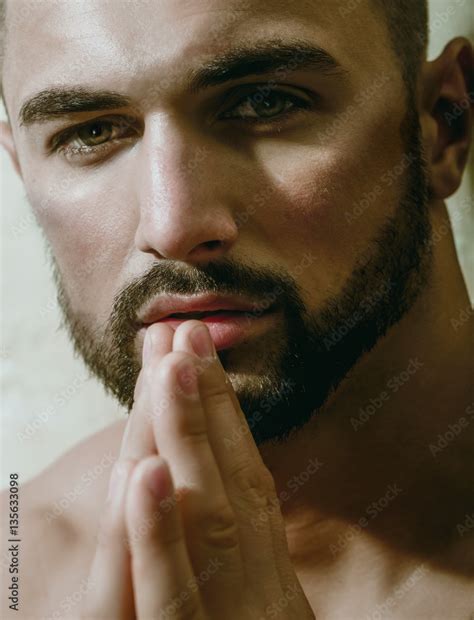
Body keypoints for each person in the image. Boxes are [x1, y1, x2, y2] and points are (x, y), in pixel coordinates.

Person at [1, 0, 473, 617]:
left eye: (264, 103)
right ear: (18, 162)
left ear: (444, 125)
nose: (171, 226)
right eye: (90, 132)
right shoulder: (19, 573)